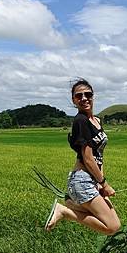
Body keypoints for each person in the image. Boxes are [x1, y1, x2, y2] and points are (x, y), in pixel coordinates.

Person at [45, 78, 121, 235]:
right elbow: (87, 158)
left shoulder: (96, 121)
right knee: (112, 227)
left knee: (113, 221)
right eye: (79, 96)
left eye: (88, 94)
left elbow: (99, 154)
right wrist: (104, 184)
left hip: (92, 179)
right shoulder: (80, 121)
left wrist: (100, 182)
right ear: (74, 100)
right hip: (82, 180)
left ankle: (71, 203)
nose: (84, 98)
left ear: (93, 96)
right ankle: (64, 211)